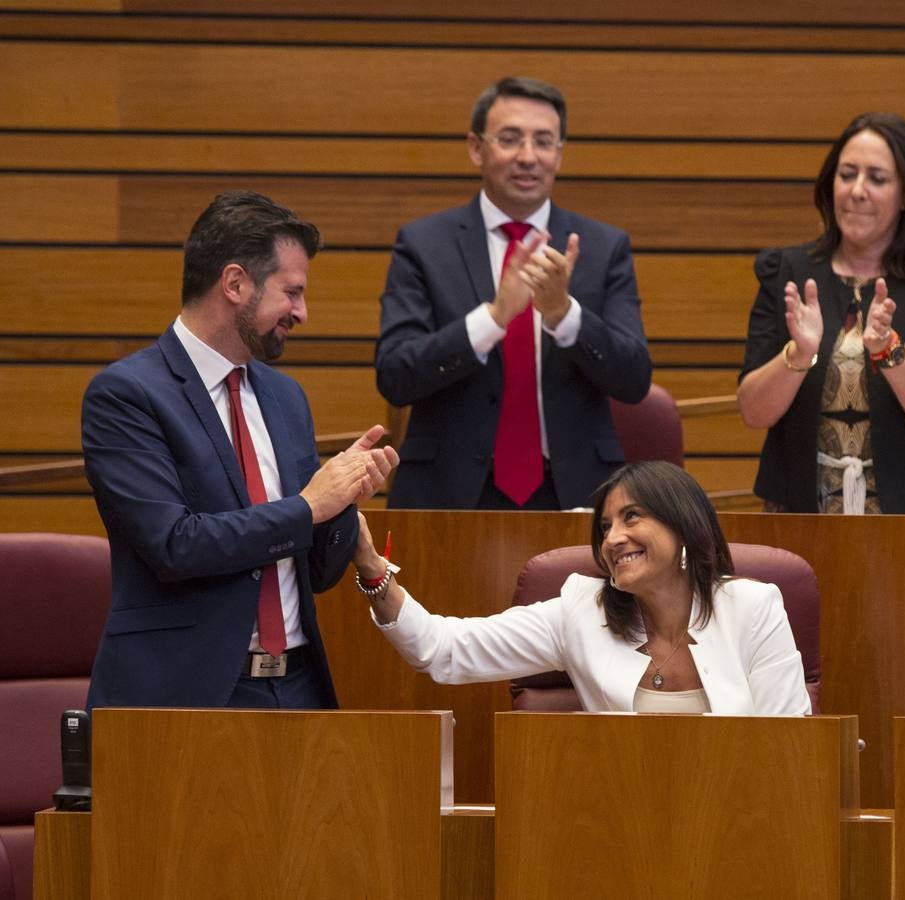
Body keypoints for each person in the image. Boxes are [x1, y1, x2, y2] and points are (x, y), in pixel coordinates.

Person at [83, 191, 398, 710]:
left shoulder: (285, 397)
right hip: (186, 695)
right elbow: (174, 545)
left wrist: (345, 501)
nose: (302, 312)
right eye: (291, 292)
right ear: (235, 283)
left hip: (297, 687)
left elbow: (314, 572)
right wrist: (309, 506)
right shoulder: (127, 395)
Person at [377, 76, 652, 511]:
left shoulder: (603, 247)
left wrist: (564, 314)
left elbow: (634, 379)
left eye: (543, 142)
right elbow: (395, 376)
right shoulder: (423, 244)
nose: (528, 157)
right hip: (448, 494)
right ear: (476, 147)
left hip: (575, 494)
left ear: (559, 154)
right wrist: (493, 318)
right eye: (509, 139)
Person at [352, 461, 811, 715]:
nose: (612, 539)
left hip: (738, 823)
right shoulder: (580, 612)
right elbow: (442, 649)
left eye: (632, 518)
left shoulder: (755, 608)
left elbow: (789, 751)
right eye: (606, 526)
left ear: (683, 525)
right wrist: (373, 572)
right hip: (610, 825)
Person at [737, 112, 905, 514]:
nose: (857, 191)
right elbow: (754, 411)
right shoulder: (786, 273)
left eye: (877, 179)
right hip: (800, 515)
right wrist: (798, 355)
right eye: (847, 175)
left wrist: (889, 349)